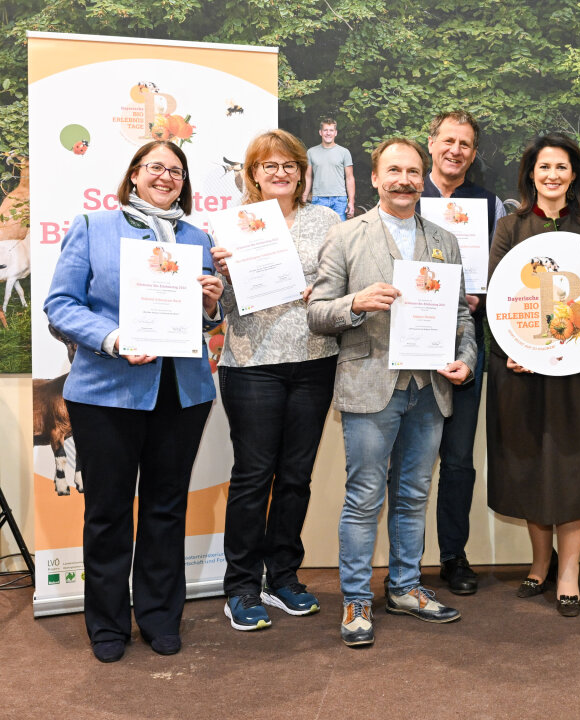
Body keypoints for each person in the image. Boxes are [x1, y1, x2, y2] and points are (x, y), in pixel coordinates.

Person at [44, 140, 224, 662]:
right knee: (107, 512)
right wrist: (115, 338)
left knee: (167, 510)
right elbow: (60, 304)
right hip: (105, 393)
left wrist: (212, 305)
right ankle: (106, 625)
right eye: (155, 168)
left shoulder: (198, 237)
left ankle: (161, 617)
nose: (165, 176)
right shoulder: (93, 227)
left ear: (184, 181)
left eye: (176, 170)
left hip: (182, 393)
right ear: (134, 175)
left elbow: (208, 319)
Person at [307, 137, 477, 647]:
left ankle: (405, 586)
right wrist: (356, 303)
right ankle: (357, 598)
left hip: (429, 389)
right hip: (370, 385)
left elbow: (463, 316)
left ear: (423, 178)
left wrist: (466, 361)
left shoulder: (445, 239)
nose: (404, 179)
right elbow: (317, 312)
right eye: (394, 171)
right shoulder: (344, 236)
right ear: (375, 178)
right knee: (364, 497)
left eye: (413, 171)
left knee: (413, 495)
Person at [211, 130, 342, 631]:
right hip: (251, 365)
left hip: (314, 361)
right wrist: (220, 274)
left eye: (289, 164)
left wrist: (324, 290)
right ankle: (242, 586)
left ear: (302, 172)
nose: (281, 173)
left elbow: (341, 285)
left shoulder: (327, 220)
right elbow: (214, 307)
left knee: (295, 477)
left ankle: (283, 576)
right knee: (252, 478)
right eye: (269, 166)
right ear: (253, 174)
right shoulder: (229, 228)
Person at [487, 132, 580, 617]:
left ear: (574, 174)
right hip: (522, 370)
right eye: (544, 167)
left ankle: (569, 574)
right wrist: (512, 351)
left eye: (561, 167)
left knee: (574, 467)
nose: (553, 176)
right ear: (531, 174)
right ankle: (540, 566)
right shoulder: (509, 227)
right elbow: (499, 302)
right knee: (532, 467)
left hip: (579, 373)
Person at [421, 111, 506, 595]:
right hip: (410, 342)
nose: (455, 150)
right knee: (406, 459)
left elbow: (501, 277)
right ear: (431, 144)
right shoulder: (406, 195)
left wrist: (483, 296)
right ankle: (405, 560)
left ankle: (454, 555)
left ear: (473, 154)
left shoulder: (489, 205)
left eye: (465, 144)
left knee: (457, 459)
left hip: (465, 342)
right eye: (448, 140)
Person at [303, 117, 356, 219]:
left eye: (331, 130)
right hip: (318, 199)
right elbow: (308, 177)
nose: (328, 133)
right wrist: (304, 197)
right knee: (320, 231)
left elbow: (350, 178)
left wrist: (351, 202)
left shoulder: (344, 152)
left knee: (340, 232)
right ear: (320, 132)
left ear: (335, 133)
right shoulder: (311, 152)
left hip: (339, 199)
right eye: (325, 130)